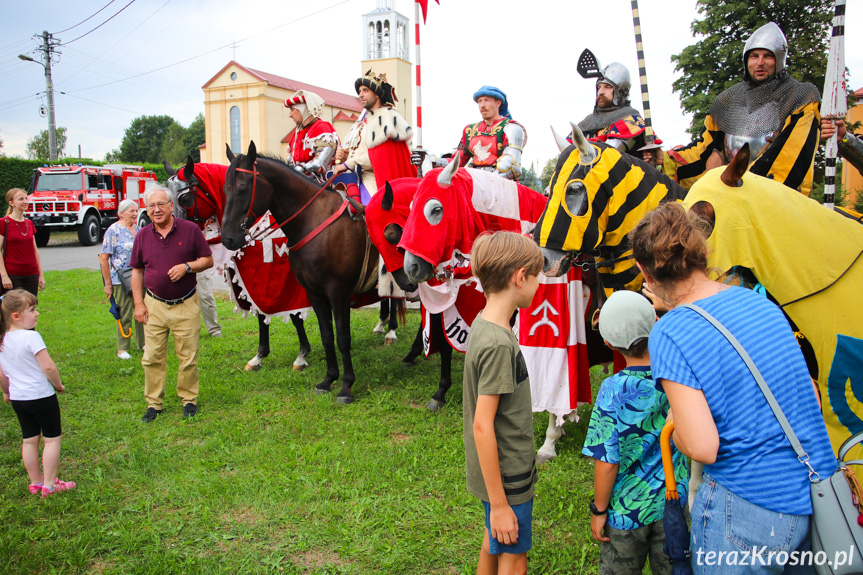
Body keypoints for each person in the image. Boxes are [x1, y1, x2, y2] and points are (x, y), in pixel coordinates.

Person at [630, 203, 836, 573]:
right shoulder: (761, 304)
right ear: (700, 253)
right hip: (815, 494)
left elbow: (702, 446)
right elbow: (811, 395)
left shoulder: (672, 331)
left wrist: (678, 420)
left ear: (644, 271)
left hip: (747, 509)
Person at [582, 290, 687, 575]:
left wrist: (600, 510)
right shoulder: (678, 376)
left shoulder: (613, 390)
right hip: (675, 503)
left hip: (627, 513)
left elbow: (607, 461)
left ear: (607, 342)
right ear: (655, 321)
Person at [463, 231, 542, 575]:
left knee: (492, 540)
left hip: (495, 472)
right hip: (507, 476)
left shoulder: (487, 324)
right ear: (520, 277)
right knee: (513, 553)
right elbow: (482, 425)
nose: (539, 285)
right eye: (537, 276)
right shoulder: (498, 343)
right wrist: (499, 504)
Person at [669, 22, 821, 195]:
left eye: (768, 56)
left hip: (773, 197)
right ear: (746, 59)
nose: (760, 63)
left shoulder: (800, 96)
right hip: (729, 193)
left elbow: (790, 155)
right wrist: (667, 159)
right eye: (754, 56)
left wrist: (743, 186)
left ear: (779, 59)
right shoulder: (727, 100)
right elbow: (705, 150)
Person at [130, 186, 213, 423]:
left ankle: (189, 400)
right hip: (154, 304)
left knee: (188, 356)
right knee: (152, 356)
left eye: (160, 204)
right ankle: (154, 403)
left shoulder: (190, 230)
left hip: (185, 303)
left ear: (171, 205)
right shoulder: (143, 235)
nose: (156, 210)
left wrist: (187, 266)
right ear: (147, 209)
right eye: (151, 206)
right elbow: (136, 271)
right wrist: (138, 304)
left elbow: (207, 260)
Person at [0, 289, 76, 497]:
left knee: (29, 439)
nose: (37, 314)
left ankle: (35, 483)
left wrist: (6, 392)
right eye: (32, 310)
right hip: (41, 396)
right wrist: (58, 385)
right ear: (16, 316)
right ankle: (50, 485)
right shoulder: (31, 337)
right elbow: (49, 367)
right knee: (51, 439)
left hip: (18, 399)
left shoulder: (3, 339)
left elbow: (2, 374)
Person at [332, 68, 416, 198]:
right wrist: (344, 156)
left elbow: (379, 156)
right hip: (354, 179)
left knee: (365, 211)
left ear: (377, 94)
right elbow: (358, 153)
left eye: (365, 90)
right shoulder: (359, 124)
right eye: (359, 91)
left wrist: (348, 163)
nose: (360, 94)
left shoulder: (385, 119)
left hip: (374, 181)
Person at [571, 62, 651, 158]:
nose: (600, 92)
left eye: (607, 87)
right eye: (599, 87)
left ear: (621, 92)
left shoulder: (631, 120)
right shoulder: (586, 123)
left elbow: (605, 156)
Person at [99, 199, 145, 358]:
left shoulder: (139, 229)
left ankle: (143, 343)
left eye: (136, 210)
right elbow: (104, 258)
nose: (135, 214)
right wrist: (108, 284)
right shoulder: (113, 231)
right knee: (125, 312)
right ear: (121, 213)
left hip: (139, 276)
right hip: (121, 278)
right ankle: (122, 348)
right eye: (131, 211)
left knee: (142, 309)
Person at [453, 86, 527, 180]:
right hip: (474, 180)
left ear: (498, 103)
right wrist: (433, 161)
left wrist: (487, 182)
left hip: (502, 184)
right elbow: (456, 161)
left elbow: (511, 166)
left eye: (487, 100)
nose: (482, 105)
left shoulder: (511, 128)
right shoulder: (470, 130)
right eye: (479, 101)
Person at [284, 90, 340, 182]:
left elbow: (319, 164)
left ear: (303, 109)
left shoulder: (322, 128)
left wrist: (294, 171)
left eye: (292, 110)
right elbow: (292, 162)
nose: (290, 115)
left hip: (323, 185)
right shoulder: (297, 133)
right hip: (302, 182)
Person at [0, 188, 45, 296]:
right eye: (20, 199)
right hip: (13, 275)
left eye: (26, 198)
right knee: (14, 309)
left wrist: (40, 275)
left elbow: (34, 250)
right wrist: (4, 276)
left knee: (30, 307)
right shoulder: (4, 223)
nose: (25, 201)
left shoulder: (29, 223)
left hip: (32, 274)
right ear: (11, 203)